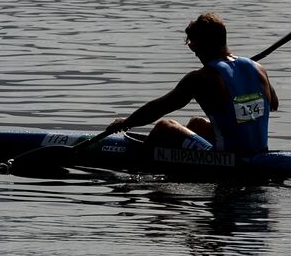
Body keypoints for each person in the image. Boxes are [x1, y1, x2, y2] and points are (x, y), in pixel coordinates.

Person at [104, 13, 278, 155]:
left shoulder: (202, 78)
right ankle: (179, 158)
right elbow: (273, 104)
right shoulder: (258, 68)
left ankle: (141, 163)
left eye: (192, 44)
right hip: (259, 151)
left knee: (165, 127)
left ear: (203, 44)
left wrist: (127, 122)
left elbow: (158, 108)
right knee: (197, 124)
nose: (194, 52)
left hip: (229, 157)